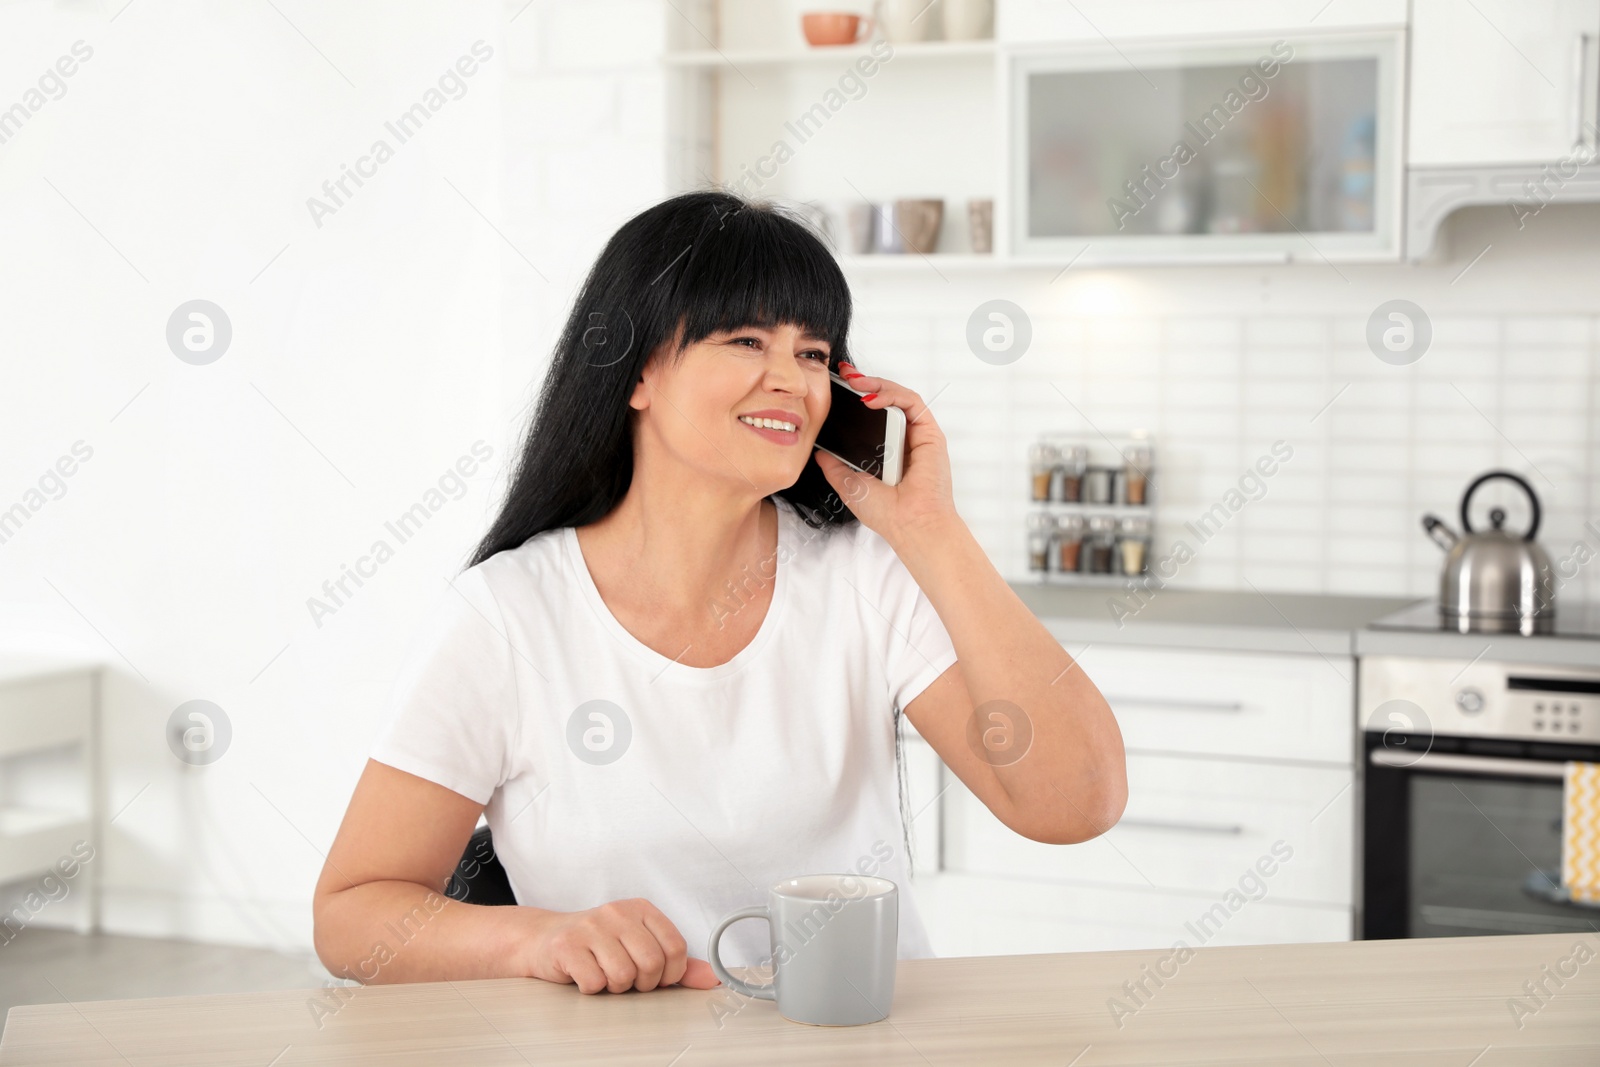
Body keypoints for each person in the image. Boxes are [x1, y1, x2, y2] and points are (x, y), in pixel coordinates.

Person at [311, 189, 1127, 995]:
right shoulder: (507, 616)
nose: (791, 381)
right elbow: (352, 915)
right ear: (634, 373)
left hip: (856, 1044)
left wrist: (931, 530)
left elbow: (1078, 803)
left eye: (813, 353)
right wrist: (541, 937)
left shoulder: (865, 576)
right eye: (746, 340)